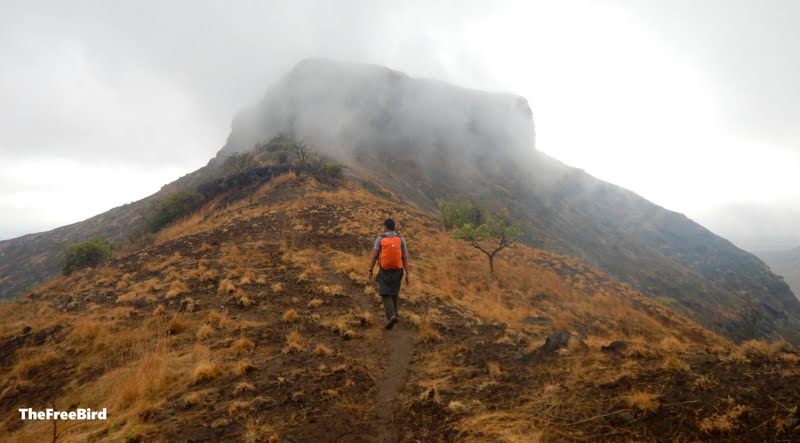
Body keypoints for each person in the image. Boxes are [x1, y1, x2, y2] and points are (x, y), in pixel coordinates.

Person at [368, 218, 411, 330]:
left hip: (384, 269)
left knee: (384, 292)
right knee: (394, 291)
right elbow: (405, 257)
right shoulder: (401, 239)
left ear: (385, 227)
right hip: (398, 270)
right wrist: (408, 274)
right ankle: (395, 315)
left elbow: (374, 256)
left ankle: (391, 316)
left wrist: (370, 270)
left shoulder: (380, 238)